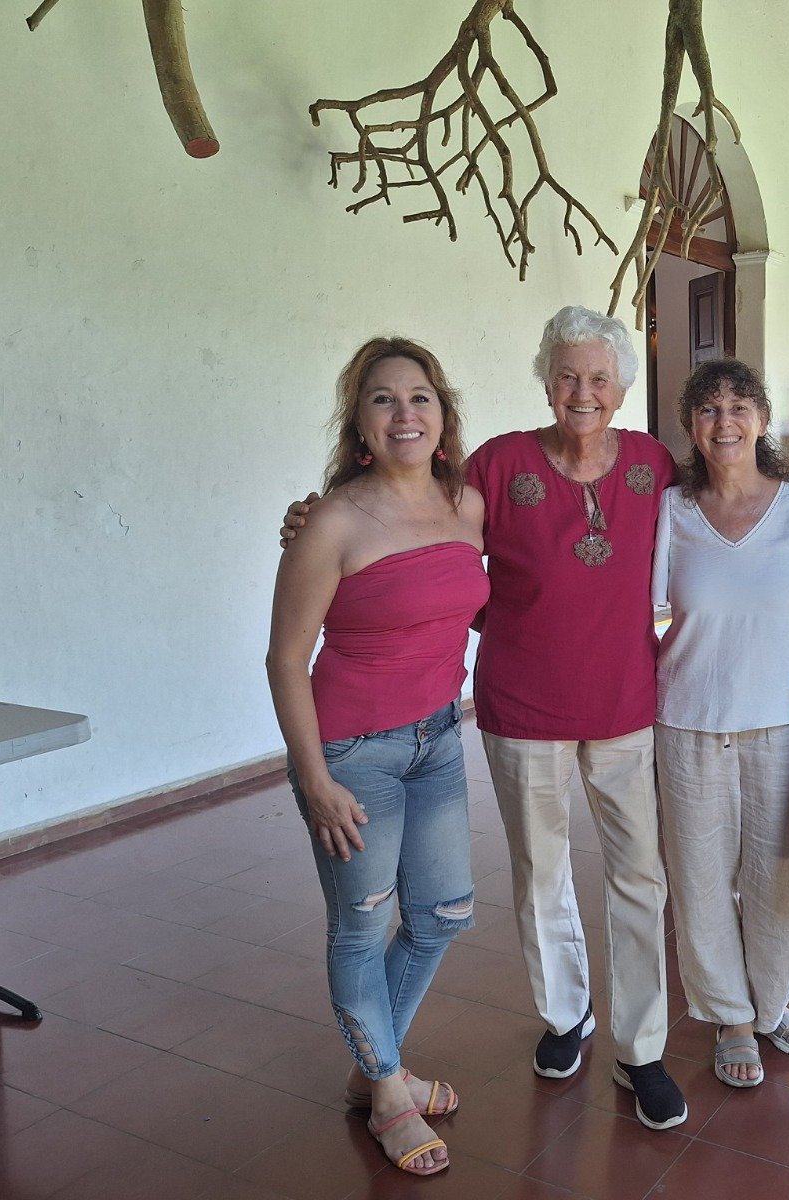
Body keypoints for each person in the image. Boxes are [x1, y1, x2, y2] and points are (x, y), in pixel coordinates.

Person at [284, 306, 688, 1130]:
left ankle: (642, 1045)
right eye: (568, 375)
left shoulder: (653, 462)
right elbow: (408, 520)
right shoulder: (497, 468)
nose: (583, 392)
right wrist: (310, 518)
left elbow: (718, 508)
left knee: (639, 876)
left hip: (625, 704)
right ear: (547, 380)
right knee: (540, 875)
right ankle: (566, 1016)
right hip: (521, 706)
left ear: (620, 389)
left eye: (599, 379)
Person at [266, 337, 487, 1175]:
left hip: (436, 735)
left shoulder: (464, 505)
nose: (405, 413)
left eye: (420, 397)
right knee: (362, 925)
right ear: (359, 422)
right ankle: (388, 1088)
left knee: (440, 915)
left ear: (443, 414)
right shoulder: (332, 520)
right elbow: (286, 660)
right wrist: (315, 779)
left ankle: (376, 1066)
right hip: (351, 752)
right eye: (384, 399)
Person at [652, 359, 789, 1088]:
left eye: (738, 406)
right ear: (690, 427)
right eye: (707, 409)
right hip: (688, 718)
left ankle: (773, 1003)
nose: (724, 422)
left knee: (783, 875)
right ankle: (728, 1013)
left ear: (760, 419)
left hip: (782, 721)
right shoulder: (669, 512)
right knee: (698, 876)